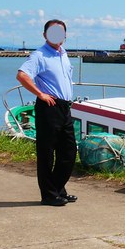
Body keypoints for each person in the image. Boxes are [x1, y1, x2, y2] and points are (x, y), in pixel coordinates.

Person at [16, 19, 77, 206]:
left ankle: (58, 188)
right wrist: (40, 94)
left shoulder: (63, 54)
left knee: (69, 151)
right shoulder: (39, 55)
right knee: (47, 153)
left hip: (65, 107)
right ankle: (49, 195)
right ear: (45, 35)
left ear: (65, 36)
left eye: (61, 33)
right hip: (49, 107)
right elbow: (22, 75)